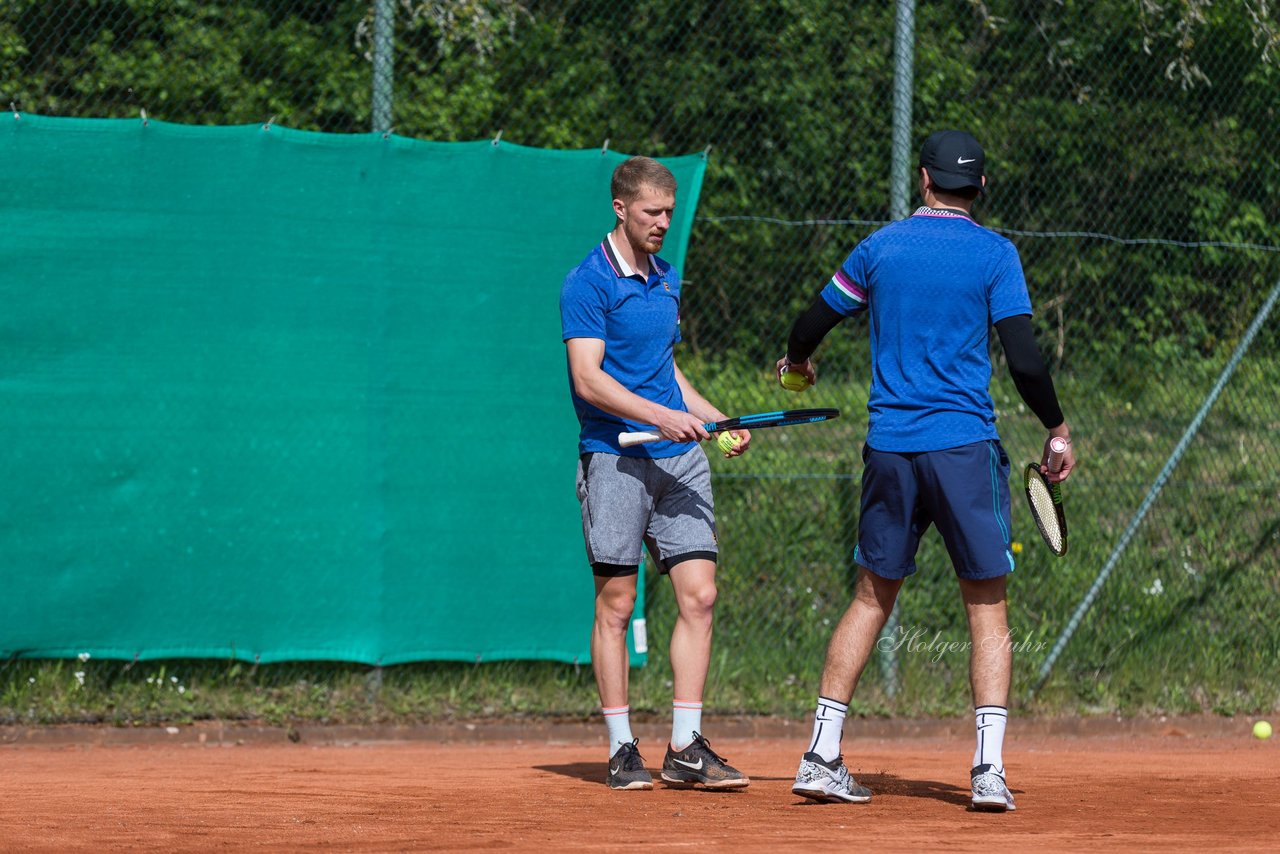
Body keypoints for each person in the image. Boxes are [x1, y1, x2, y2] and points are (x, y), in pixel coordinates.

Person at [777, 130, 1075, 812]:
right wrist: (1056, 428)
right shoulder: (996, 254)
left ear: (923, 180)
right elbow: (1026, 361)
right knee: (987, 606)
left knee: (870, 597)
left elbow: (810, 322)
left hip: (891, 448)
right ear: (980, 189)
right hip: (964, 448)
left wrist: (797, 365)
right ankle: (989, 773)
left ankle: (820, 756)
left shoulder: (879, 249)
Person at [560, 155, 751, 792]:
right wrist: (659, 417)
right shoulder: (587, 282)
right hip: (614, 458)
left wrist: (715, 420)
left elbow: (668, 376)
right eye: (652, 212)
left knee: (700, 595)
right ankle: (621, 748)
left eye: (669, 212)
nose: (663, 223)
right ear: (621, 209)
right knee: (616, 605)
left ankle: (685, 748)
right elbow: (588, 378)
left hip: (678, 461)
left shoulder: (667, 278)